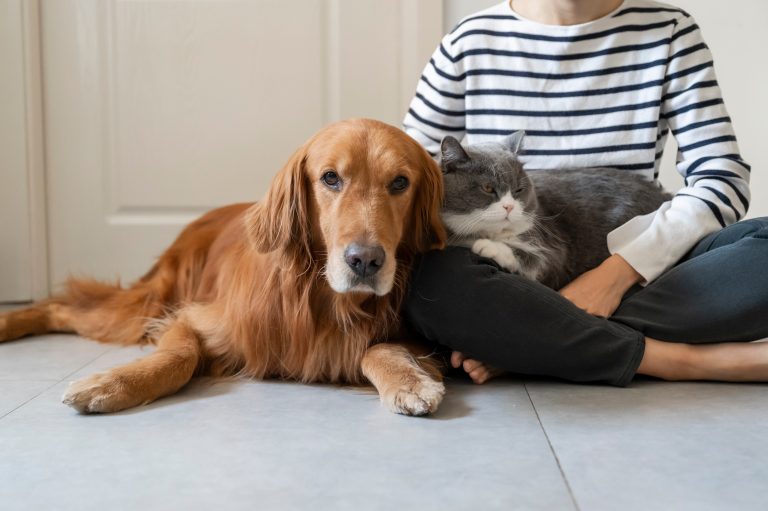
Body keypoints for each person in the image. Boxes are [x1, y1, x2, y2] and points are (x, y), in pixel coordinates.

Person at [402, 0, 768, 385]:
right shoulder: (468, 42)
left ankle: (524, 339)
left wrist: (617, 274)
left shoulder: (670, 30)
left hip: (642, 271)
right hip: (506, 275)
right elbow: (405, 180)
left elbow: (722, 178)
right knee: (430, 279)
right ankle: (678, 360)